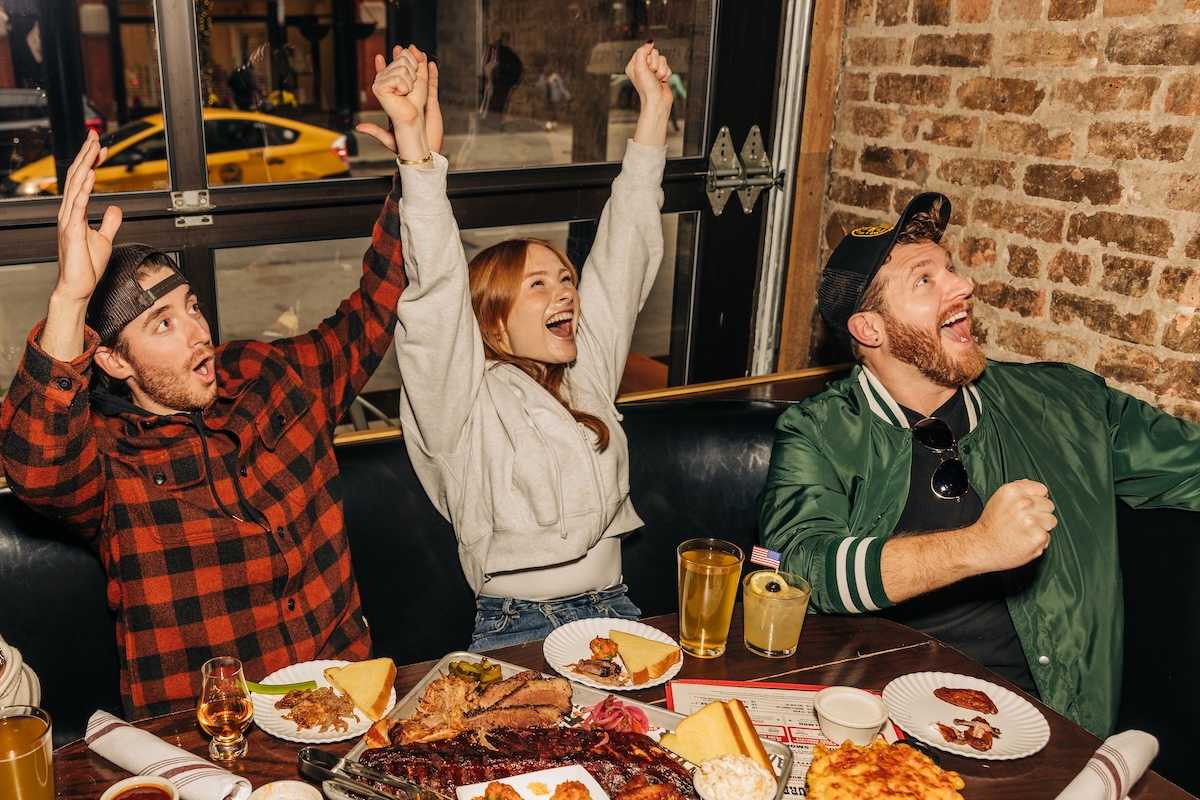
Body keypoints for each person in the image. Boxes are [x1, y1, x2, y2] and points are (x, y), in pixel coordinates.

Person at [0, 47, 434, 719]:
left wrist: (417, 166)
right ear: (113, 361)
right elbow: (34, 460)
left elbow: (377, 305)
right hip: (213, 743)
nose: (198, 332)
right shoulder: (109, 464)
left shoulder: (269, 379)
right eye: (163, 325)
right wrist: (68, 302)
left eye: (192, 308)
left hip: (353, 712)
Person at [758, 192, 1200, 738]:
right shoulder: (821, 430)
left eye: (952, 269)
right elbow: (799, 566)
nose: (962, 286)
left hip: (1050, 732)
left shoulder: (1067, 405)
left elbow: (1191, 465)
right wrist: (977, 546)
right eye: (926, 280)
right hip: (879, 734)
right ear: (870, 330)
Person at [356, 42, 673, 651]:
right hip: (518, 628)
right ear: (493, 322)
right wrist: (418, 156)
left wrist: (654, 111)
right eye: (538, 285)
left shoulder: (587, 370)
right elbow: (438, 290)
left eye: (565, 279)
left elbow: (626, 249)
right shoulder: (461, 405)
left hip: (619, 614)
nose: (566, 293)